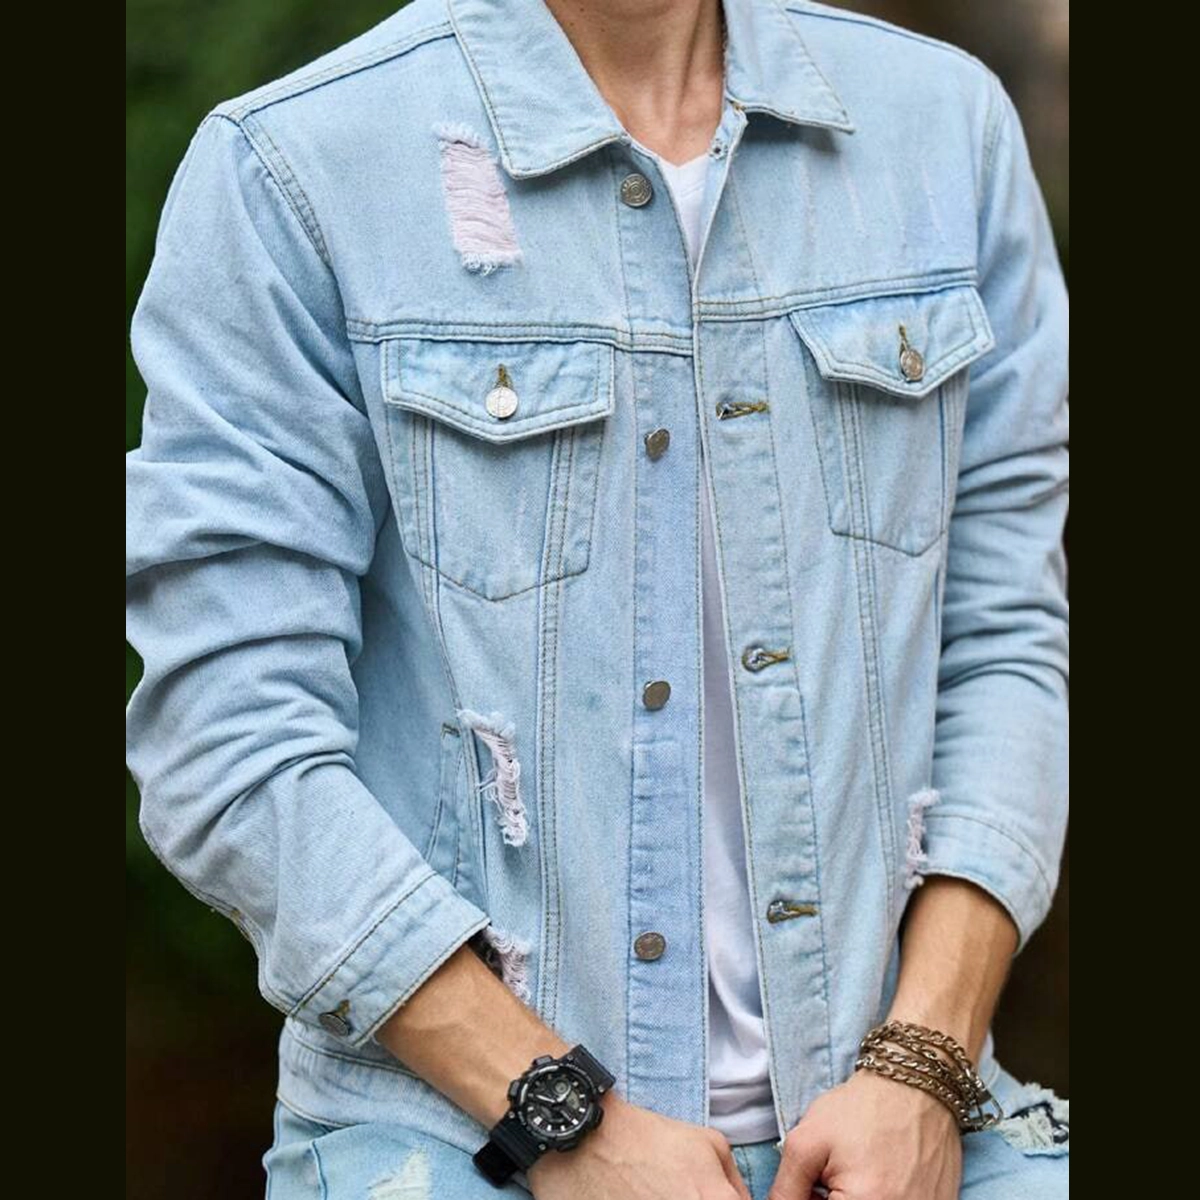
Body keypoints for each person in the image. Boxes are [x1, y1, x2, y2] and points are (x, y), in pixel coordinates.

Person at [124, 1, 1069, 1197]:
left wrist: (923, 1066)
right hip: (460, 1138)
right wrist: (561, 1118)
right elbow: (230, 736)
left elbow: (1004, 643)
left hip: (904, 1121)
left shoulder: (944, 129)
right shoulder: (299, 167)